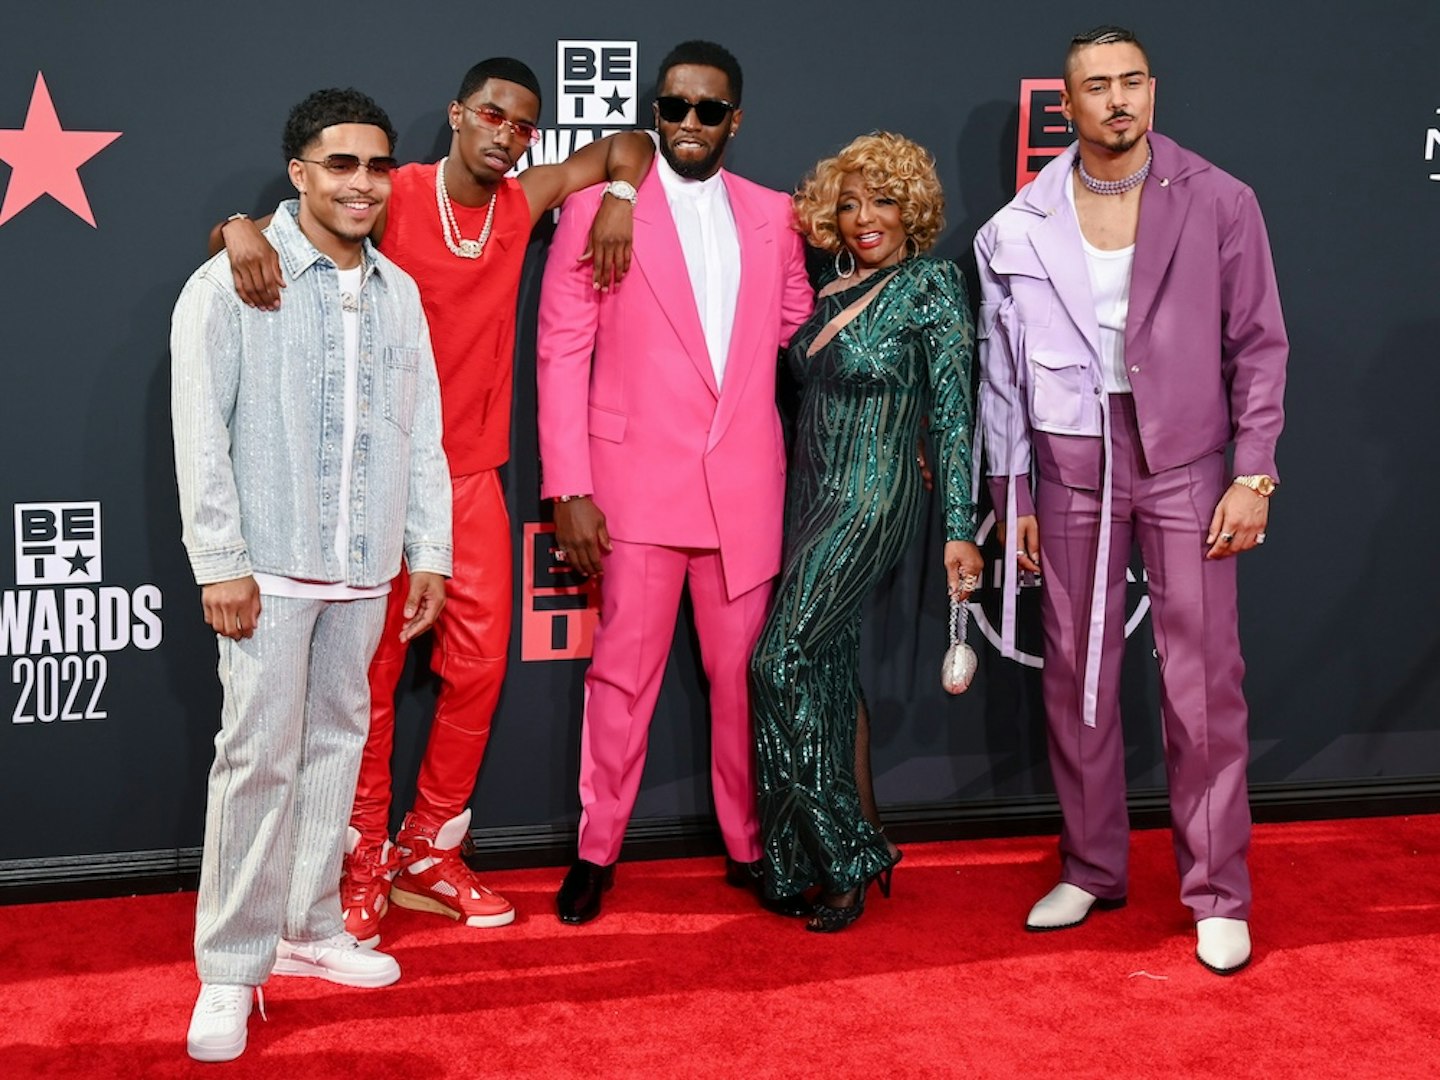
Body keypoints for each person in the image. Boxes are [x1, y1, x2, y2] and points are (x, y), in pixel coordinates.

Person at [215, 59, 653, 941]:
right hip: (374, 478)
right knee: (366, 680)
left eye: (523, 125)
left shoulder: (521, 203)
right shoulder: (393, 189)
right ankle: (357, 856)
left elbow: (631, 145)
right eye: (491, 114)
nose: (505, 134)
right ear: (457, 114)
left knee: (480, 669)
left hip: (471, 478)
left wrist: (621, 198)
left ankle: (428, 848)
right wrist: (236, 228)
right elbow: (282, 231)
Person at [975, 25, 1287, 974]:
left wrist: (1254, 469)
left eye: (1133, 82)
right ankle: (1092, 864)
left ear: (1154, 91)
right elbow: (1001, 375)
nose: (1117, 99)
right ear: (1065, 105)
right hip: (1069, 465)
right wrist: (1011, 488)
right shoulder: (1017, 224)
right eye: (1097, 86)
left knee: (1202, 683)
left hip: (1188, 459)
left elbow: (1259, 344)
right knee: (1076, 672)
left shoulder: (1220, 200)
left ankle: (1217, 891)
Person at [172, 88, 451, 1061]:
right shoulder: (232, 282)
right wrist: (221, 562)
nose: (363, 183)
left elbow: (422, 438)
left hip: (366, 568)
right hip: (269, 570)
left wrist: (431, 550)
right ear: (300, 174)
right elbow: (200, 429)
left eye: (377, 166)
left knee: (338, 740)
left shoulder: (400, 293)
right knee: (254, 761)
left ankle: (307, 925)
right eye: (341, 165)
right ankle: (229, 971)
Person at [536, 40, 814, 924]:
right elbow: (561, 349)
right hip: (631, 491)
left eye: (707, 110)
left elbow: (794, 326)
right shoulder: (595, 209)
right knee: (622, 679)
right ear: (653, 113)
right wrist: (568, 484)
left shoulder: (776, 215)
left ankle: (748, 845)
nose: (687, 124)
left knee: (745, 682)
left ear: (736, 118)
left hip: (743, 490)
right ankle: (596, 850)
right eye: (672, 108)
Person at [749, 132, 983, 933]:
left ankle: (848, 854)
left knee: (777, 661)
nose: (862, 218)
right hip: (810, 493)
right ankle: (828, 851)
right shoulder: (828, 287)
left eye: (881, 200)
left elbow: (954, 411)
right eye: (847, 204)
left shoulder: (931, 284)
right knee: (826, 674)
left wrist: (960, 525)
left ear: (911, 206)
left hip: (874, 497)